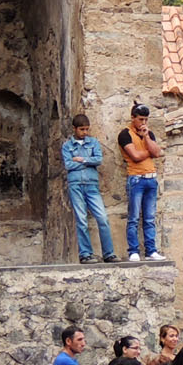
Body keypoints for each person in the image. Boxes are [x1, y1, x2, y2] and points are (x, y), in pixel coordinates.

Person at [60, 113, 118, 264]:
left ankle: (109, 253)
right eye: (82, 129)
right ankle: (85, 254)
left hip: (92, 185)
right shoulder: (67, 146)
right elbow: (68, 165)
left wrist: (82, 159)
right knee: (82, 220)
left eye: (86, 129)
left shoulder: (93, 142)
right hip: (76, 185)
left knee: (103, 218)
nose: (85, 132)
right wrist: (88, 162)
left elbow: (98, 160)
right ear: (74, 129)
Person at [120, 101, 165, 262]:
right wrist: (150, 152)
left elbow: (157, 152)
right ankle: (133, 251)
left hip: (151, 179)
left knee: (149, 218)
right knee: (133, 217)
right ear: (133, 118)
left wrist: (146, 137)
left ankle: (151, 250)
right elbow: (136, 156)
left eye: (146, 120)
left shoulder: (149, 134)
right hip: (136, 179)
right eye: (140, 119)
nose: (143, 123)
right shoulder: (125, 134)